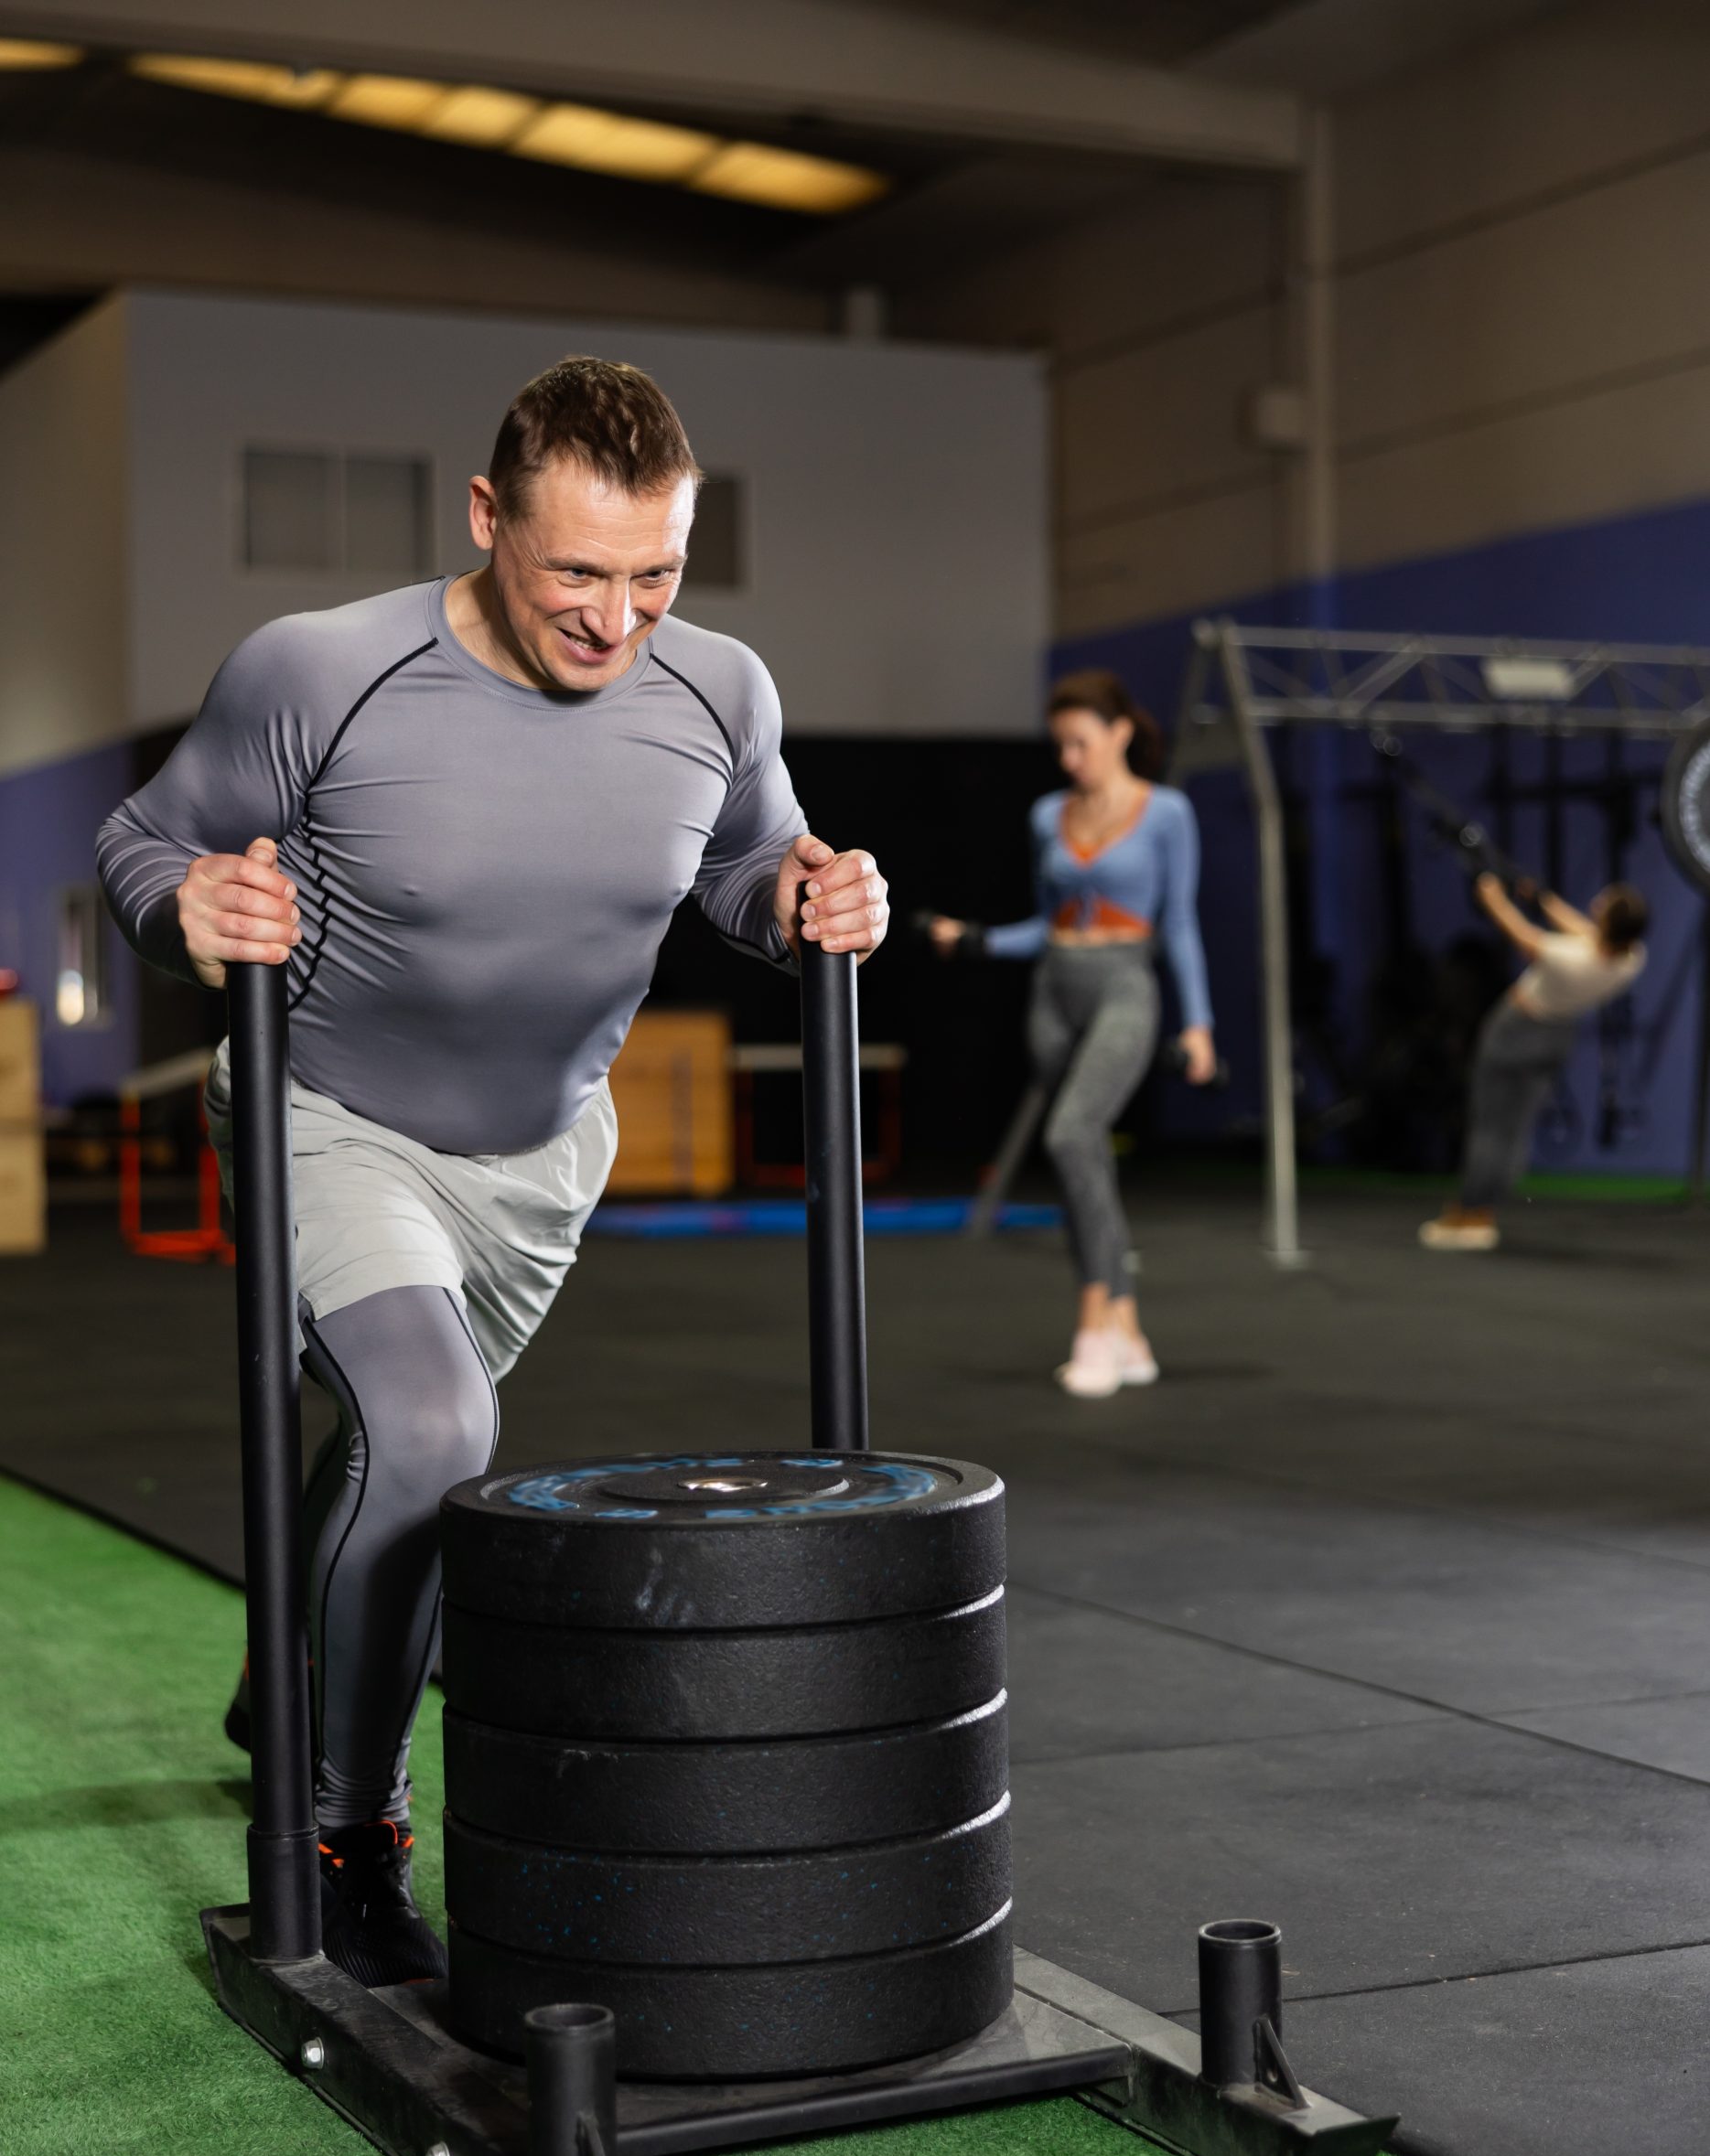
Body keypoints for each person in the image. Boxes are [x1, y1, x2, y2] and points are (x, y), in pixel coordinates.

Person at [97, 357, 889, 1985]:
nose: (615, 621)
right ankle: (345, 1825)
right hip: (329, 1115)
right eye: (575, 574)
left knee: (397, 1450)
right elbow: (144, 840)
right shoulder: (322, 669)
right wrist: (187, 911)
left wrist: (811, 896)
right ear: (485, 518)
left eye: (655, 575)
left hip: (543, 1157)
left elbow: (743, 865)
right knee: (437, 1427)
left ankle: (296, 1673)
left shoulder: (722, 691)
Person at [931, 671, 1214, 1398]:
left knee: (1067, 1135)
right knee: (1084, 1157)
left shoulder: (1166, 814)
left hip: (1126, 986)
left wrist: (1198, 1023)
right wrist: (975, 941)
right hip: (1053, 992)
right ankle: (1127, 1326)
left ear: (1119, 733)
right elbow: (1046, 925)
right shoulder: (1045, 814)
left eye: (1079, 743)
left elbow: (1178, 923)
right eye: (1060, 745)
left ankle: (1093, 1320)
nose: (1068, 759)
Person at [1419, 873, 1648, 1251]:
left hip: (1515, 1033)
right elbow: (1584, 931)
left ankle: (1472, 1215)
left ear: (1608, 924)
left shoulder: (1569, 957)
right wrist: (1543, 899)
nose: (1594, 908)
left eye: (1602, 908)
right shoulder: (1631, 957)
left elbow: (1522, 936)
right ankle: (1485, 1209)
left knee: (1489, 1126)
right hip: (1556, 1039)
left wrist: (1493, 899)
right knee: (1513, 1128)